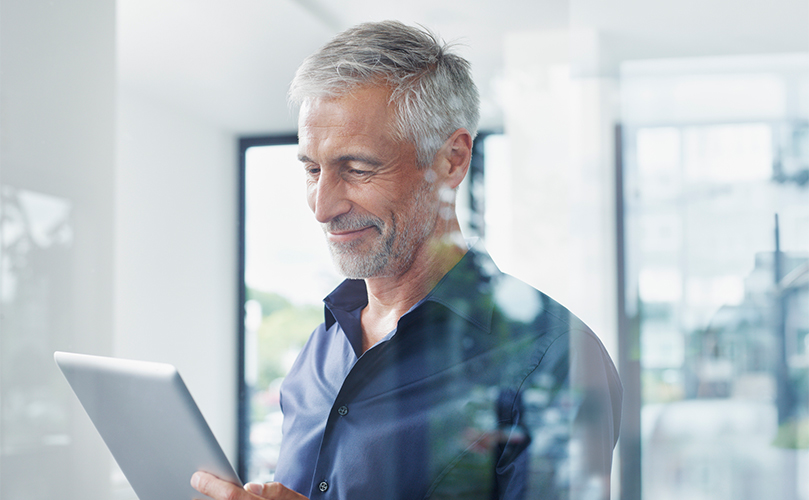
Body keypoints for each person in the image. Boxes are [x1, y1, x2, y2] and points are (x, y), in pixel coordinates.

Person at [192, 20, 622, 500]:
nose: (322, 206)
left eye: (356, 169)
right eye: (312, 170)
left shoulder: (555, 358)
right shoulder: (322, 348)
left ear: (452, 160)